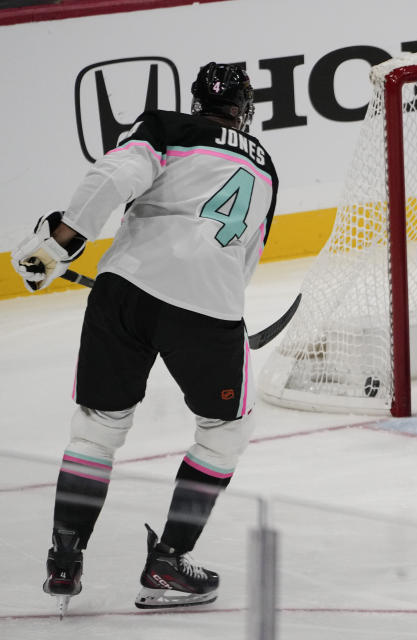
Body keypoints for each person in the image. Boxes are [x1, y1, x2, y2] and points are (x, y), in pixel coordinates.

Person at [10, 62, 279, 613]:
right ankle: (169, 561)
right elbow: (245, 257)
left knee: (97, 427)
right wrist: (218, 324)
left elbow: (113, 178)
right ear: (244, 108)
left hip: (124, 288)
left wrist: (60, 243)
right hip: (209, 306)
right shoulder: (267, 167)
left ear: (196, 99)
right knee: (226, 430)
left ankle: (65, 557)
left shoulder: (166, 125)